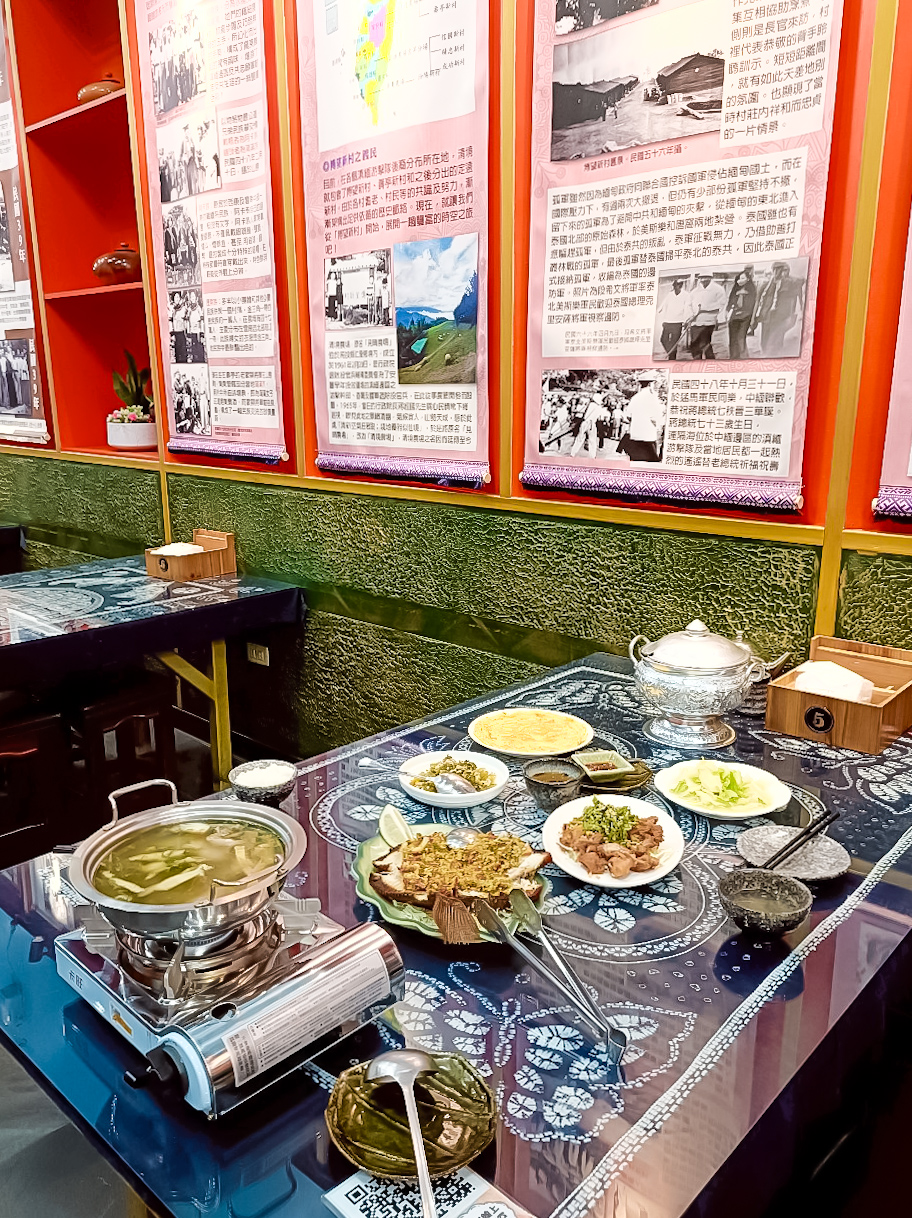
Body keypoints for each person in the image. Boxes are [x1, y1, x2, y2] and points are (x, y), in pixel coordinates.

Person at [751, 261, 804, 357]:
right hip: (766, 316)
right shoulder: (766, 285)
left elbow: (802, 281)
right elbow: (757, 301)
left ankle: (774, 357)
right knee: (764, 341)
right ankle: (766, 355)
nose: (777, 272)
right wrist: (753, 318)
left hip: (780, 317)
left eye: (780, 270)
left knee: (776, 342)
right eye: (775, 269)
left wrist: (786, 275)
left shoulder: (789, 284)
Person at [619, 372, 663, 461]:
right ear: (650, 384)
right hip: (648, 437)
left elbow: (628, 416)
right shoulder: (652, 397)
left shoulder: (635, 398)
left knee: (635, 462)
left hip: (635, 436)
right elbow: (655, 417)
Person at [688, 272, 727, 359]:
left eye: (706, 277)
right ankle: (697, 362)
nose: (703, 280)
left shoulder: (718, 289)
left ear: (710, 278)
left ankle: (710, 361)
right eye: (701, 278)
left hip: (709, 321)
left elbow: (722, 304)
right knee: (694, 343)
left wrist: (706, 309)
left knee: (704, 343)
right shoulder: (694, 291)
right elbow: (689, 304)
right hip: (695, 321)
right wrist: (691, 315)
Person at [656, 278, 691, 359]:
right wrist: (659, 313)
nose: (676, 287)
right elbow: (662, 306)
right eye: (675, 285)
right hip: (667, 321)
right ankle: (671, 354)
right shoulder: (670, 295)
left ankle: (672, 358)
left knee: (674, 342)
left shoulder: (686, 295)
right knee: (663, 339)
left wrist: (686, 321)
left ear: (681, 286)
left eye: (678, 285)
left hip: (678, 322)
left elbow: (687, 308)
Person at [727, 269, 757, 359]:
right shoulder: (735, 289)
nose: (740, 280)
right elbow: (730, 302)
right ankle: (734, 357)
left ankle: (743, 357)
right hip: (734, 316)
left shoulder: (752, 289)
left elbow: (754, 304)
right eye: (739, 278)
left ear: (748, 279)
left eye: (743, 278)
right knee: (733, 338)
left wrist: (753, 318)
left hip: (746, 316)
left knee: (741, 337)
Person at [570, 391, 604, 457]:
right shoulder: (599, 407)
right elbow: (599, 417)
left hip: (585, 422)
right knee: (592, 440)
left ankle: (573, 453)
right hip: (592, 424)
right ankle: (593, 456)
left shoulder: (590, 404)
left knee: (579, 438)